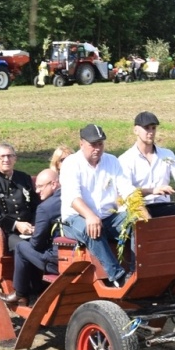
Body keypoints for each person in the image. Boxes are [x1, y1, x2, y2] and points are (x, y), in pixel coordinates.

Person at [59, 123, 137, 288]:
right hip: (75, 218)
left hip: (108, 217)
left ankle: (136, 270)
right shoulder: (71, 164)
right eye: (93, 145)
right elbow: (73, 198)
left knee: (136, 222)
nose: (97, 148)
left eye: (100, 144)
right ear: (81, 144)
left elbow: (127, 190)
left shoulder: (112, 161)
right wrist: (90, 216)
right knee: (91, 228)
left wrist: (139, 210)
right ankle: (117, 276)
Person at [118, 111, 175, 217]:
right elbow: (126, 193)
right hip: (140, 209)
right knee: (145, 218)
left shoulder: (167, 154)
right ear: (135, 130)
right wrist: (152, 191)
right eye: (147, 128)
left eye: (153, 128)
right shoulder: (125, 159)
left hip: (164, 206)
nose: (151, 132)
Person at [11, 167, 63, 303]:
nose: (37, 191)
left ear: (53, 184)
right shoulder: (75, 198)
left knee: (21, 247)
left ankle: (20, 294)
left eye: (40, 186)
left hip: (57, 262)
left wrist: (35, 232)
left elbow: (36, 244)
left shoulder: (45, 208)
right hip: (81, 259)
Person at [0, 141, 35, 239]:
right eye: (2, 156)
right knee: (23, 247)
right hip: (6, 232)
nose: (6, 159)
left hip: (32, 227)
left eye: (9, 156)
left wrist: (35, 224)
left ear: (15, 159)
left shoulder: (24, 178)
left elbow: (35, 204)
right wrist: (15, 225)